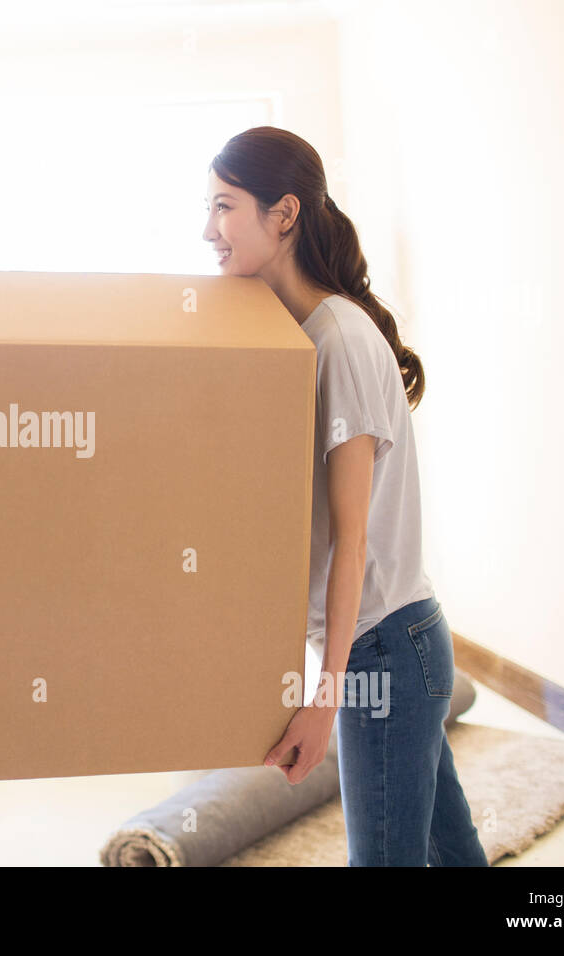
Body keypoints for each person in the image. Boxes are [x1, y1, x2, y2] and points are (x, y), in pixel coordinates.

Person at [202, 126, 487, 866]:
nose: (210, 230)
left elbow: (352, 541)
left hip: (386, 651)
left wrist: (322, 700)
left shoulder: (341, 341)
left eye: (225, 207)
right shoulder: (307, 334)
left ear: (284, 213)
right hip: (394, 644)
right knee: (450, 850)